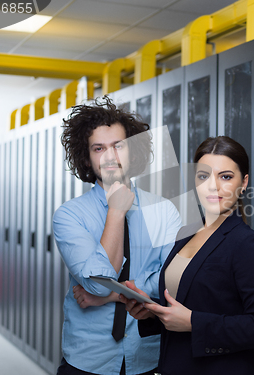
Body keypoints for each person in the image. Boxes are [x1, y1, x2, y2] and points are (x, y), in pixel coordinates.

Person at [121, 136, 254, 375]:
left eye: (225, 176)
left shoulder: (249, 244)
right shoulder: (186, 233)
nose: (212, 186)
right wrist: (151, 313)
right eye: (203, 176)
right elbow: (188, 303)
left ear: (244, 182)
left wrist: (194, 323)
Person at [53, 97, 181, 375]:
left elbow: (171, 282)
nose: (110, 156)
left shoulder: (164, 210)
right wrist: (116, 212)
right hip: (88, 358)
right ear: (86, 157)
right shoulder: (69, 215)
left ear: (133, 152)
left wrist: (109, 297)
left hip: (148, 355)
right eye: (99, 148)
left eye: (118, 146)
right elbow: (97, 284)